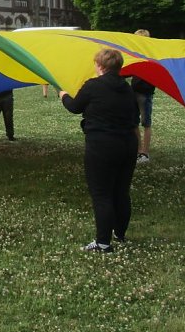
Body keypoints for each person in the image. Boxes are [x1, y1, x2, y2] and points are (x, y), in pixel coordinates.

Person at [59, 48, 139, 253]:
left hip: (102, 146)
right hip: (127, 144)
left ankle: (103, 243)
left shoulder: (93, 86)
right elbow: (134, 119)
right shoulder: (127, 88)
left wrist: (63, 95)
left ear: (100, 66)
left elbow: (75, 107)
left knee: (102, 194)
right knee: (121, 191)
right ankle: (119, 234)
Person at [131, 29, 156, 164]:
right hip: (134, 91)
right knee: (133, 121)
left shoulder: (150, 56)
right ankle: (138, 150)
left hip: (145, 92)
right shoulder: (134, 54)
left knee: (146, 123)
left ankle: (145, 153)